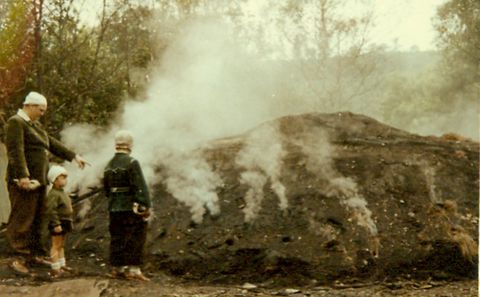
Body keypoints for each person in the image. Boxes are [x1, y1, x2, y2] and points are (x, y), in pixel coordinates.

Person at [5, 91, 89, 274]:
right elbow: (15, 151)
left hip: (39, 181)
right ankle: (17, 257)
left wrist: (74, 156)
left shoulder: (35, 126)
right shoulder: (16, 122)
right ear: (30, 106)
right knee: (23, 218)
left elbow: (53, 144)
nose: (42, 113)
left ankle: (34, 255)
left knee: (38, 218)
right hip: (24, 181)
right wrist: (23, 176)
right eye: (41, 110)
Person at [103, 130, 152, 281]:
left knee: (117, 237)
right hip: (130, 206)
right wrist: (145, 204)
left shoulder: (108, 164)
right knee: (135, 237)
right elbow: (139, 185)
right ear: (130, 145)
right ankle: (133, 270)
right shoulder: (132, 162)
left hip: (114, 206)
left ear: (116, 145)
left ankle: (117, 268)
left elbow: (106, 188)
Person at [45, 165, 74, 276]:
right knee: (56, 245)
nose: (65, 180)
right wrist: (56, 223)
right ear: (55, 179)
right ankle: (55, 268)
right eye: (63, 178)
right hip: (58, 222)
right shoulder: (53, 194)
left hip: (65, 221)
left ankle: (62, 265)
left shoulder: (61, 192)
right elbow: (51, 210)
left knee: (61, 245)